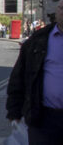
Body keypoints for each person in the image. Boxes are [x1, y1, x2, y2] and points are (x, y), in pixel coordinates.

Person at [6, 11, 63, 145]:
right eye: (61, 8)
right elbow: (19, 76)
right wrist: (14, 110)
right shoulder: (39, 39)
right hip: (44, 116)